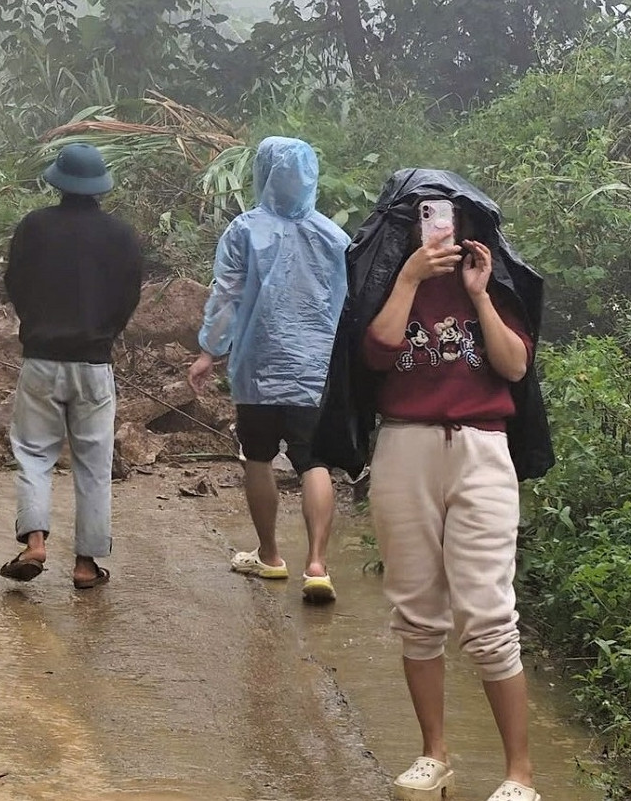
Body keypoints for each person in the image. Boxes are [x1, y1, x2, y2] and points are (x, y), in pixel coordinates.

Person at [315, 169, 553, 801]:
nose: (442, 229)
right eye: (424, 217)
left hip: (481, 450)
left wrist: (477, 296)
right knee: (417, 613)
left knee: (488, 614)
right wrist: (413, 276)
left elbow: (513, 366)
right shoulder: (390, 281)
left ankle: (519, 775)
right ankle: (434, 755)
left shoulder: (492, 283)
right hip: (405, 445)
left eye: (451, 218)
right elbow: (377, 353)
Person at [187, 136, 349, 603]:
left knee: (256, 456)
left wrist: (208, 351)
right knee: (312, 459)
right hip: (316, 368)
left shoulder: (244, 230)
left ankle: (271, 555)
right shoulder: (335, 238)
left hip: (257, 367)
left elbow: (227, 294)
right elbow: (347, 306)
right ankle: (317, 565)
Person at [0, 142, 143, 590]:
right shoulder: (122, 236)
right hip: (94, 363)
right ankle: (85, 565)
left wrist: (35, 323)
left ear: (58, 182)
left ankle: (35, 542)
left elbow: (15, 283)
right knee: (94, 464)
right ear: (100, 187)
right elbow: (129, 295)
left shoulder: (34, 227)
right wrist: (106, 332)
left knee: (35, 454)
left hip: (41, 360)